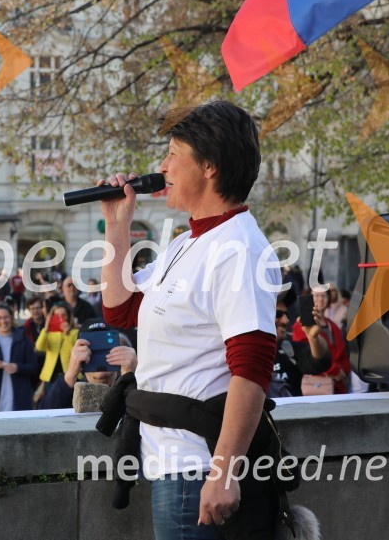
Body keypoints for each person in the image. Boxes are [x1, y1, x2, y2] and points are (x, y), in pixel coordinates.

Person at [99, 102, 282, 538]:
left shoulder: (238, 250)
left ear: (210, 167)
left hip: (196, 467)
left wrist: (224, 471)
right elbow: (121, 307)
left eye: (173, 153)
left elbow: (252, 370)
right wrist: (116, 226)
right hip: (168, 462)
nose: (163, 166)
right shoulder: (188, 241)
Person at [39, 321, 137, 410]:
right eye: (91, 348)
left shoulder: (131, 383)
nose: (100, 356)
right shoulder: (70, 390)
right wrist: (69, 376)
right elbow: (45, 416)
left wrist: (132, 375)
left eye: (106, 347)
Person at [292, 288, 350, 394]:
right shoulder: (302, 325)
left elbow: (343, 353)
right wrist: (335, 370)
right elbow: (303, 356)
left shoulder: (333, 325)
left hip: (338, 385)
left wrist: (344, 370)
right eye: (316, 295)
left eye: (324, 296)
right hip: (317, 384)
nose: (320, 299)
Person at [270, 302, 331, 397]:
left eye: (287, 315)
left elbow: (321, 363)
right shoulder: (244, 352)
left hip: (292, 411)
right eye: (278, 314)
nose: (285, 321)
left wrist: (313, 338)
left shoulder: (290, 349)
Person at [35, 303, 79, 388]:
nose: (60, 318)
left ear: (68, 317)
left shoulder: (75, 332)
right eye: (56, 315)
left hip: (70, 375)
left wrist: (67, 334)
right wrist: (45, 330)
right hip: (51, 376)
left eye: (63, 315)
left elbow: (75, 350)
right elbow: (39, 347)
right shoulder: (49, 333)